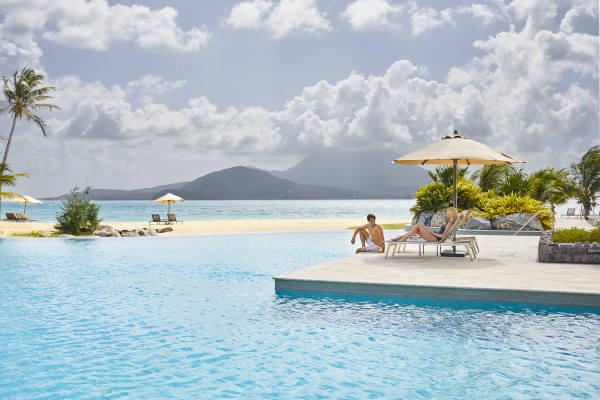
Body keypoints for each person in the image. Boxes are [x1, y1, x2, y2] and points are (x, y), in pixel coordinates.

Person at [391, 207, 458, 242]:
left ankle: (402, 238)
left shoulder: (449, 223)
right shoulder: (451, 223)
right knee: (416, 230)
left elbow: (443, 236)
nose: (446, 214)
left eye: (447, 213)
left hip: (434, 238)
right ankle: (401, 238)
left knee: (418, 225)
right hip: (434, 237)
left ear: (450, 215)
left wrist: (434, 233)